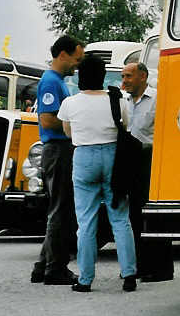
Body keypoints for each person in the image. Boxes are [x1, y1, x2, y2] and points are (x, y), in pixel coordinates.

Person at [58, 54, 138, 292]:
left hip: (83, 157)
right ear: (103, 76)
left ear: (81, 75)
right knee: (120, 218)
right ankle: (129, 274)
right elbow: (125, 126)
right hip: (113, 156)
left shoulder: (70, 103)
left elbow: (68, 133)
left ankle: (85, 279)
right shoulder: (118, 99)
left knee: (86, 221)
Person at [31, 35, 84, 285]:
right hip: (58, 150)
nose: (77, 64)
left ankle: (43, 265)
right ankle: (56, 268)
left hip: (59, 150)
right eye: (76, 58)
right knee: (61, 211)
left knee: (59, 208)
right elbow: (47, 119)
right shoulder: (51, 82)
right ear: (63, 54)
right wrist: (75, 128)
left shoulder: (57, 81)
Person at [121, 61, 173, 282]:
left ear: (143, 77)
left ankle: (162, 269)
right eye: (123, 77)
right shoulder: (124, 101)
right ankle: (141, 265)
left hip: (150, 160)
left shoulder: (158, 100)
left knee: (153, 214)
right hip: (130, 161)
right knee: (133, 214)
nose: (124, 81)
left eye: (128, 76)